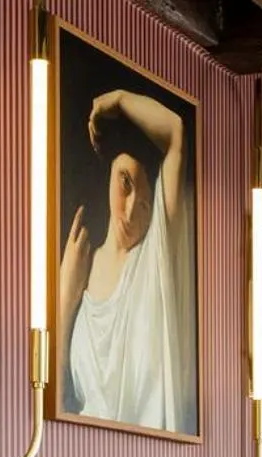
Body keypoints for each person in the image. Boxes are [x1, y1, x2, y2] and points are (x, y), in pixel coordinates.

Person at [58, 89, 196, 434]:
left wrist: (117, 99)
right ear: (109, 173)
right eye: (125, 182)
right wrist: (63, 300)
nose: (132, 210)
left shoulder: (153, 258)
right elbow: (60, 404)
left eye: (147, 206)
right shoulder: (79, 268)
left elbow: (176, 130)